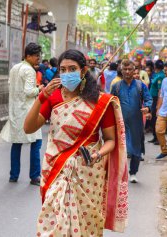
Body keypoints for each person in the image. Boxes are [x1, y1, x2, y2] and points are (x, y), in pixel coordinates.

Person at [24, 49, 128, 236]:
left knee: (86, 226)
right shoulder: (53, 97)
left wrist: (97, 154)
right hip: (56, 169)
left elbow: (110, 140)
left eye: (72, 69)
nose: (66, 74)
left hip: (88, 173)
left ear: (83, 71)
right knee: (54, 223)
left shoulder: (100, 101)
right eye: (62, 70)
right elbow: (28, 128)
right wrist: (41, 99)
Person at [0, 43, 43, 185]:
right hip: (28, 111)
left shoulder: (14, 68)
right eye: (36, 55)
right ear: (28, 56)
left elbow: (10, 85)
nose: (39, 58)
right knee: (36, 143)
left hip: (15, 111)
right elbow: (29, 92)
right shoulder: (29, 70)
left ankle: (14, 175)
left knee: (16, 143)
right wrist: (40, 89)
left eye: (39, 55)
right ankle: (35, 176)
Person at [111, 59, 152, 183]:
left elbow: (148, 99)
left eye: (130, 69)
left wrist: (147, 108)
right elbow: (111, 103)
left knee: (136, 149)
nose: (127, 72)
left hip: (136, 122)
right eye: (125, 69)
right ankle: (118, 173)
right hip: (120, 123)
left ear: (134, 70)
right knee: (120, 149)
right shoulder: (116, 87)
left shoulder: (140, 85)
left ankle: (133, 172)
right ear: (121, 71)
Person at [148, 60, 165, 145]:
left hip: (156, 99)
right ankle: (155, 137)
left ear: (156, 66)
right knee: (153, 118)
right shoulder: (157, 74)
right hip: (153, 98)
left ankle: (158, 138)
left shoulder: (161, 76)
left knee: (155, 118)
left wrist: (159, 103)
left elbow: (160, 90)